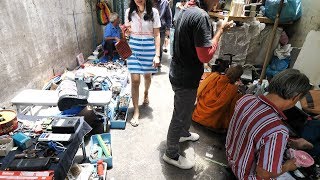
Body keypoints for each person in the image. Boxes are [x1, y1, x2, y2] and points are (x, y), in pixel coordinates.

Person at [163, 0, 234, 169]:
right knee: (179, 114)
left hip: (180, 72)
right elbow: (206, 56)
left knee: (186, 108)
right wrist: (220, 30)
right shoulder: (201, 16)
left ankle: (183, 133)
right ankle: (171, 153)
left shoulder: (186, 9)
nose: (218, 3)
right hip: (185, 77)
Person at [226, 69, 312, 179]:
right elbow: (264, 174)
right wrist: (288, 166)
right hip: (244, 176)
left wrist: (288, 142)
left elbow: (252, 131)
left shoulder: (246, 99)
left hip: (231, 160)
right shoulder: (278, 130)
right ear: (296, 97)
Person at [124, 0, 161, 127]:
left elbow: (157, 35)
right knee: (135, 80)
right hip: (133, 48)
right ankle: (136, 111)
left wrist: (157, 55)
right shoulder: (129, 12)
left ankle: (146, 93)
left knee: (147, 77)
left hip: (149, 49)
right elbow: (128, 32)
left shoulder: (153, 12)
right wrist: (126, 32)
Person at [192, 65, 243, 130]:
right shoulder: (233, 90)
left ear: (227, 70)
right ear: (238, 78)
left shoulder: (213, 76)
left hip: (197, 115)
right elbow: (232, 112)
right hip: (212, 123)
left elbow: (199, 90)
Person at [153, 0, 172, 68]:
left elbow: (168, 17)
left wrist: (168, 28)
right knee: (151, 46)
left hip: (161, 29)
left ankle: (158, 62)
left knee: (159, 46)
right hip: (149, 28)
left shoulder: (165, 2)